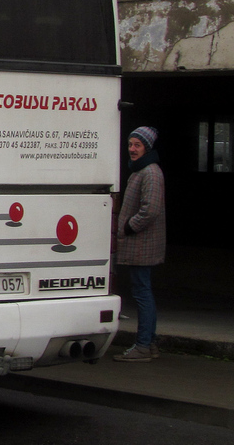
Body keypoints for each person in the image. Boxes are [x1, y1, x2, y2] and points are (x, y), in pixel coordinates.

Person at [112, 125, 166, 362]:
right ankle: (150, 344)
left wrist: (127, 227)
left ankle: (143, 345)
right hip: (139, 244)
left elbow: (150, 210)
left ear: (147, 147)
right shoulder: (140, 170)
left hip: (142, 244)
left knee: (142, 293)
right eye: (130, 144)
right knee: (143, 291)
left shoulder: (150, 172)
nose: (132, 149)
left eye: (137, 145)